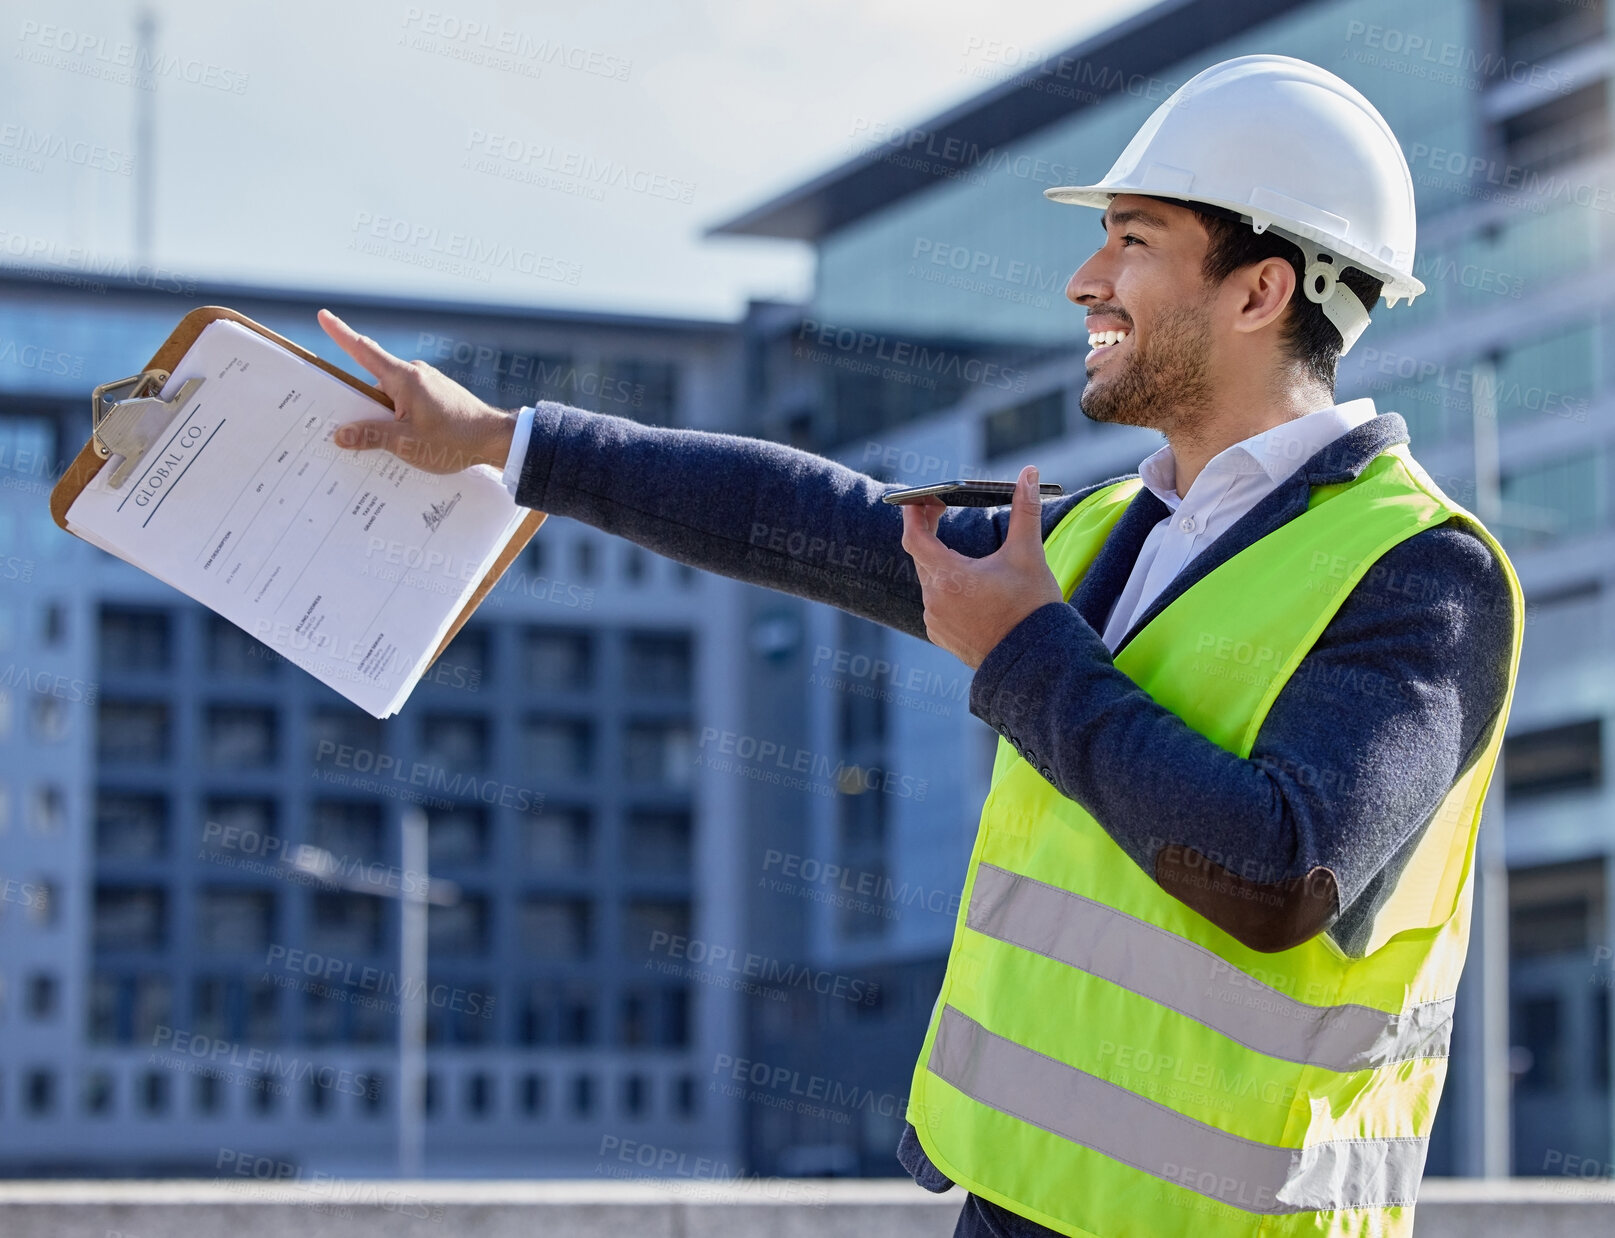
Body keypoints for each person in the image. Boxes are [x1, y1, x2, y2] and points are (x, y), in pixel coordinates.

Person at [318, 53, 1522, 1238]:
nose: (1084, 280)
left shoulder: (1424, 573)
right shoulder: (1109, 529)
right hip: (1010, 1203)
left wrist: (1027, 653)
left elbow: (1281, 872)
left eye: (1134, 240)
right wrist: (507, 442)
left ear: (1259, 291)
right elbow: (814, 519)